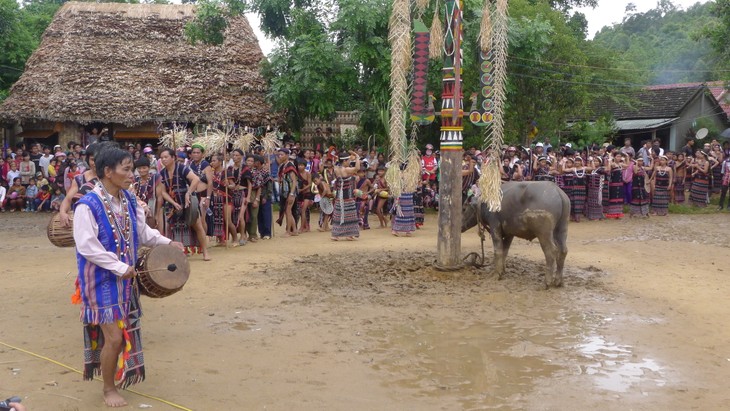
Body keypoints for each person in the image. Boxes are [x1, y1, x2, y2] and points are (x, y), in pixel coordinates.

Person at [72, 145, 184, 407]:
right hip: (100, 281)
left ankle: (115, 373)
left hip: (125, 280)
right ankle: (108, 388)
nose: (132, 174)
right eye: (127, 168)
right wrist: (120, 267)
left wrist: (168, 243)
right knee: (114, 337)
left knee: (122, 335)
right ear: (108, 172)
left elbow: (143, 234)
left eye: (132, 168)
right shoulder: (87, 205)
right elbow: (87, 246)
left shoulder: (131, 201)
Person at [157, 148, 211, 259]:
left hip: (188, 202)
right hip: (173, 204)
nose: (163, 159)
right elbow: (163, 191)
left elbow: (195, 179)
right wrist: (172, 202)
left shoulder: (182, 168)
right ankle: (176, 253)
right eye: (162, 158)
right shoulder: (162, 173)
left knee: (197, 225)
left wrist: (188, 193)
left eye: (166, 157)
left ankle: (205, 252)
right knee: (171, 228)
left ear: (173, 158)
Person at [59, 144, 102, 227]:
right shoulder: (80, 179)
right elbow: (68, 199)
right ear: (87, 160)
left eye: (99, 160)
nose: (96, 163)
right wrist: (63, 213)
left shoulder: (111, 178)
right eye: (93, 160)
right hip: (84, 222)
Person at [331, 151, 361, 241]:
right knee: (350, 214)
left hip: (339, 195)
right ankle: (349, 234)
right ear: (344, 161)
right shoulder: (346, 169)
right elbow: (357, 168)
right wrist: (357, 157)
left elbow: (336, 161)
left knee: (338, 214)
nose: (349, 162)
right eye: (348, 160)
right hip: (347, 195)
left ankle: (336, 235)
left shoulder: (336, 168)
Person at [225, 149, 252, 245]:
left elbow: (249, 184)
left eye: (237, 155)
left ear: (241, 156)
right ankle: (235, 236)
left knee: (240, 217)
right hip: (233, 194)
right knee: (233, 217)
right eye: (234, 155)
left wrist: (248, 196)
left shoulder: (245, 168)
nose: (235, 157)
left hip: (243, 194)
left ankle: (243, 235)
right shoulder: (229, 168)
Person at [276, 148, 299, 236]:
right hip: (284, 191)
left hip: (290, 191)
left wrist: (292, 193)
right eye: (279, 155)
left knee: (288, 211)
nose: (280, 156)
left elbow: (294, 181)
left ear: (287, 155)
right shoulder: (282, 166)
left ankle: (289, 231)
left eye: (282, 154)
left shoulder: (290, 165)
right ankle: (295, 230)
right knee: (287, 211)